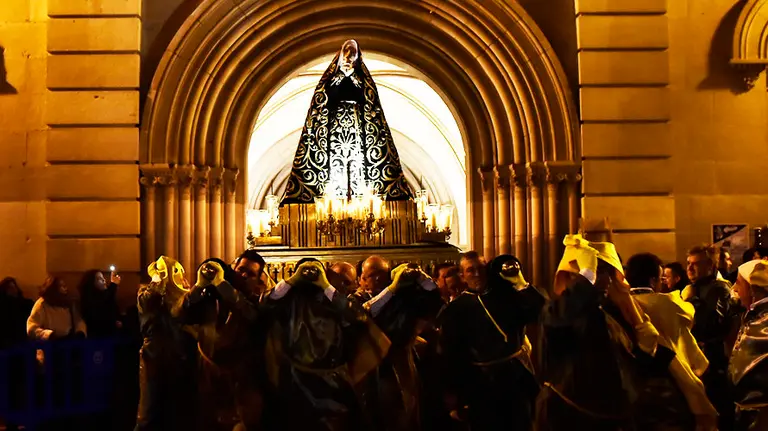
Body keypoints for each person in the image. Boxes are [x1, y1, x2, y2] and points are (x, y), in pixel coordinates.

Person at [535, 234, 664, 431]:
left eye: (608, 272)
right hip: (570, 418)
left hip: (610, 416)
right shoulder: (558, 311)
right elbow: (562, 316)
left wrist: (645, 351)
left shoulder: (613, 312)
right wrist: (587, 276)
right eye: (599, 271)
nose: (605, 279)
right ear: (572, 275)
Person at [259, 259, 390, 430]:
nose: (347, 286)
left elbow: (358, 317)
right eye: (342, 281)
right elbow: (265, 304)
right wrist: (291, 281)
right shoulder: (291, 300)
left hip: (332, 383)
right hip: (295, 382)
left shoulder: (340, 302)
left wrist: (327, 287)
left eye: (349, 283)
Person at [281, 39, 412, 204]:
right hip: (334, 132)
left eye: (352, 54)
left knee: (358, 164)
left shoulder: (363, 81)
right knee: (335, 166)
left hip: (359, 130)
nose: (348, 58)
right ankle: (332, 198)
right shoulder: (330, 80)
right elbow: (321, 101)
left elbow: (371, 103)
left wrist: (354, 80)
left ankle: (361, 197)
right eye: (346, 54)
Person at [439, 253, 545, 431]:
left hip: (516, 379)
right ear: (462, 275)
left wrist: (521, 284)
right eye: (470, 270)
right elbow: (451, 356)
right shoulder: (455, 310)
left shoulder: (507, 296)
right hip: (481, 385)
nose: (477, 274)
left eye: (481, 269)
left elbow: (542, 312)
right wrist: (455, 400)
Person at [625, 253, 717, 431]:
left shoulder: (621, 304)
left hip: (631, 384)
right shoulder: (665, 302)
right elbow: (689, 315)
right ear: (653, 280)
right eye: (661, 278)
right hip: (669, 382)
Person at [361, 263, 444, 430]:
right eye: (371, 275)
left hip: (404, 363)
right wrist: (393, 287)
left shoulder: (407, 300)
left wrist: (420, 275)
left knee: (408, 411)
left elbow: (436, 299)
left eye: (379, 274)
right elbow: (366, 311)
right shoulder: (361, 298)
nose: (376, 279)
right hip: (377, 367)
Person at [135, 256, 202, 431]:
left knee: (177, 410)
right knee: (149, 410)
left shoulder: (182, 296)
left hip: (180, 356)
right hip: (155, 356)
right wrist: (157, 279)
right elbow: (149, 303)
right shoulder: (148, 295)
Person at [682, 244, 737, 429]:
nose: (690, 268)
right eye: (688, 263)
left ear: (711, 266)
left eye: (696, 264)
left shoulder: (718, 289)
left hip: (714, 362)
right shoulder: (696, 287)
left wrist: (692, 301)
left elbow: (711, 324)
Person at [729, 260, 768, 430]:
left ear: (752, 288)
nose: (735, 289)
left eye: (738, 283)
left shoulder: (763, 321)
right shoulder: (754, 316)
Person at [78, 269, 122, 338]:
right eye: (99, 279)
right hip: (97, 338)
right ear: (92, 283)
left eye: (103, 278)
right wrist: (113, 285)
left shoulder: (107, 295)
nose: (104, 280)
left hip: (112, 336)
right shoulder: (88, 299)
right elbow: (99, 316)